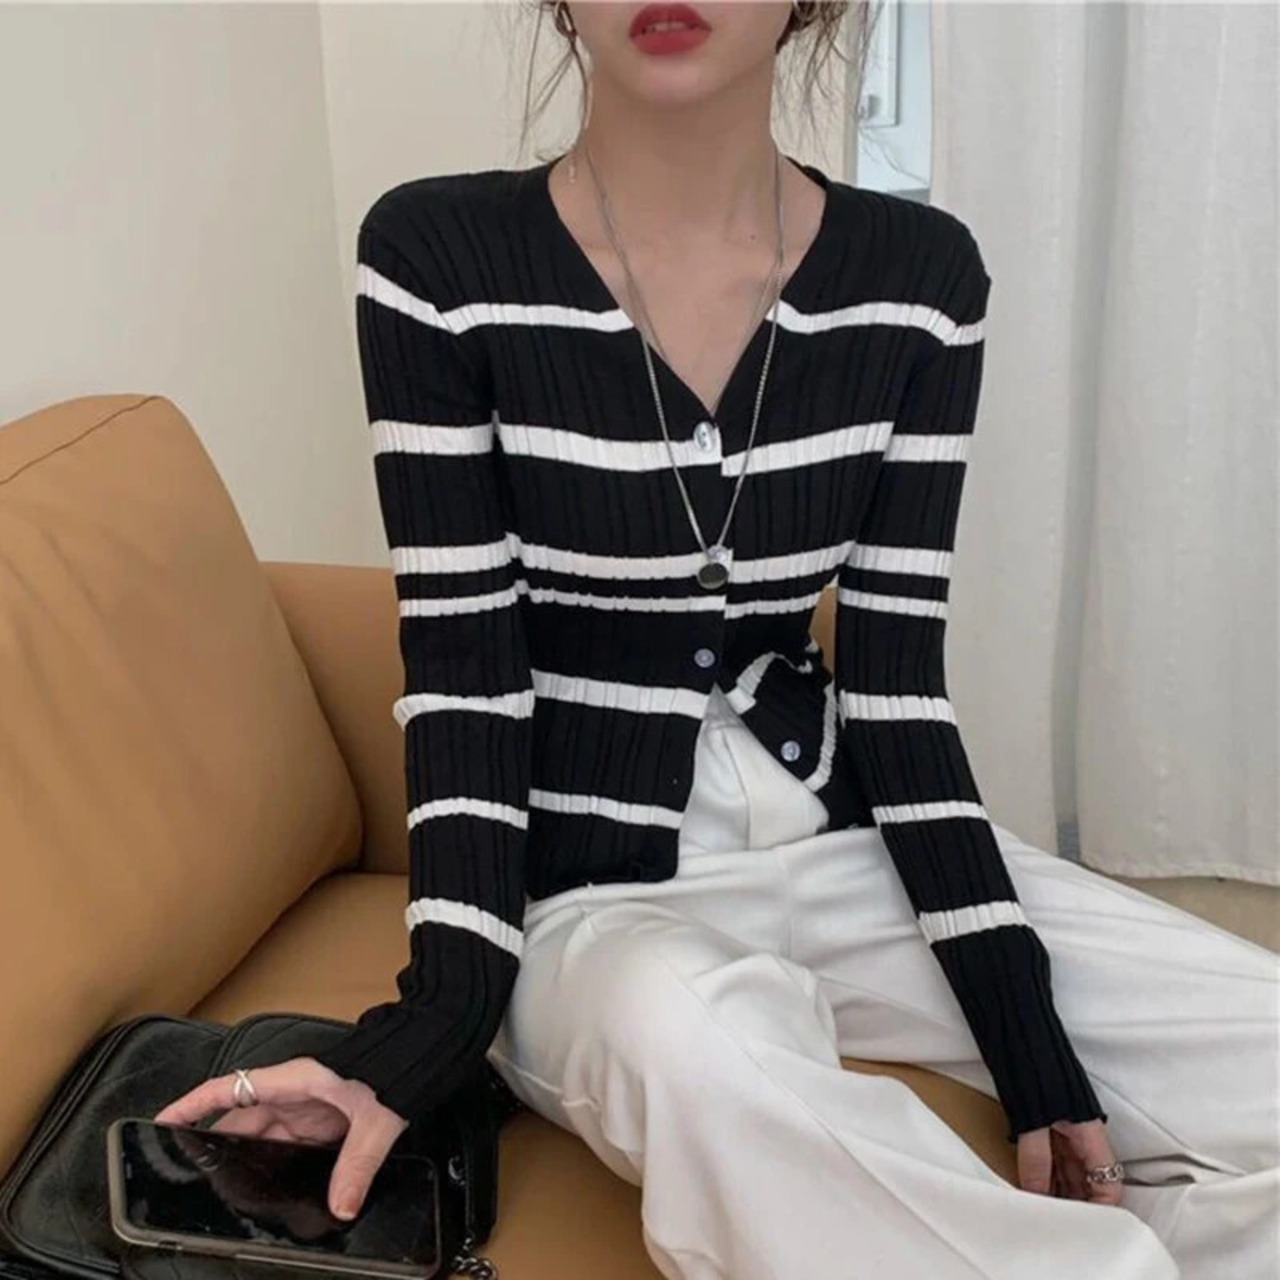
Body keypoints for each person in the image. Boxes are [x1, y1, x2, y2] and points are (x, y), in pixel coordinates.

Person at [154, 3, 1280, 1277]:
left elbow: (896, 684)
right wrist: (431, 1027)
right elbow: (462, 676)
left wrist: (1029, 1045)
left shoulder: (919, 279)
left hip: (844, 845)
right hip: (589, 902)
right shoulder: (437, 257)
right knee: (703, 1050)